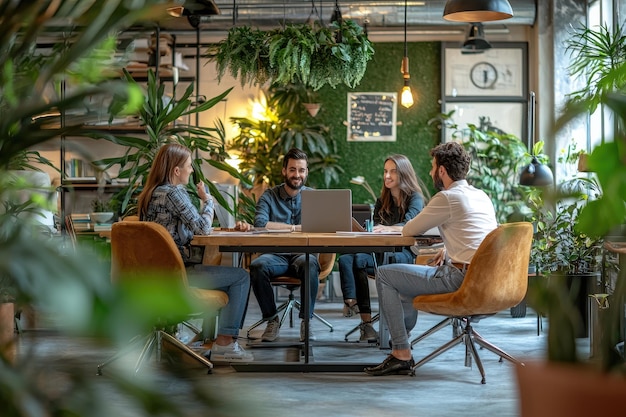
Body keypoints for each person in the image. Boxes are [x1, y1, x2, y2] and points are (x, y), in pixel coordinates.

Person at [364, 141, 498, 376]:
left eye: (432, 167)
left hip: (459, 279)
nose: (430, 172)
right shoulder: (481, 196)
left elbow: (408, 230)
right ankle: (403, 337)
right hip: (489, 280)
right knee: (403, 281)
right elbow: (483, 239)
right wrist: (448, 247)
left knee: (386, 275)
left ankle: (400, 353)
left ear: (442, 171)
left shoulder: (446, 197)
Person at [137, 143, 253, 362]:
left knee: (224, 274)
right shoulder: (173, 194)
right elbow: (203, 228)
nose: (191, 171)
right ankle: (225, 345)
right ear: (176, 171)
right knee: (241, 277)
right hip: (175, 276)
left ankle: (205, 338)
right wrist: (208, 200)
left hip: (150, 276)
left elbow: (172, 232)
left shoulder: (149, 194)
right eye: (189, 166)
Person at [338, 154, 428, 342]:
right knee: (347, 258)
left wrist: (388, 228)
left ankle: (358, 309)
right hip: (380, 252)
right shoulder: (382, 200)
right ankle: (361, 317)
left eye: (393, 172)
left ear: (403, 174)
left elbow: (410, 224)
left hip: (402, 254)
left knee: (357, 260)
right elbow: (377, 229)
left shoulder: (415, 198)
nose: (387, 176)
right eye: (386, 171)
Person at [248, 148, 321, 342]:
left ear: (306, 172)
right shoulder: (269, 196)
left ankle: (306, 321)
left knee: (310, 264)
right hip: (276, 255)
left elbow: (324, 227)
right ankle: (272, 320)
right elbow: (260, 224)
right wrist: (296, 228)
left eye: (301, 170)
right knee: (257, 267)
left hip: (303, 254)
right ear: (284, 171)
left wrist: (280, 227)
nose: (297, 175)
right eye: (292, 169)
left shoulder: (315, 197)